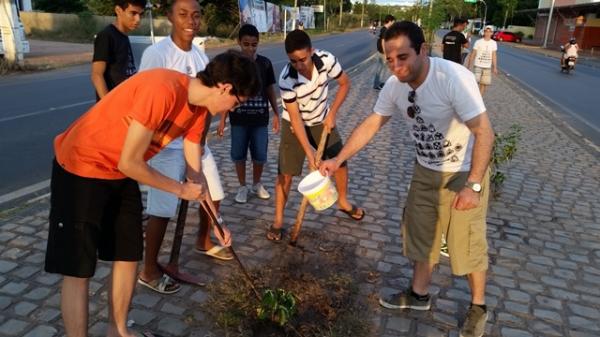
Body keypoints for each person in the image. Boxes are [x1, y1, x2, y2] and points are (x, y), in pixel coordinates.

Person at [44, 52, 259, 337]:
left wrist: (216, 221)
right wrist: (180, 189)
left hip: (119, 172)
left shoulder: (198, 111)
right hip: (82, 165)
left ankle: (117, 331)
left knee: (129, 253)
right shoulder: (163, 90)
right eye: (237, 103)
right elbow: (131, 162)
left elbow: (195, 176)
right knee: (79, 266)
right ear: (225, 88)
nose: (231, 110)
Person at [319, 21, 495, 337]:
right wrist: (337, 159)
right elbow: (373, 123)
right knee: (420, 235)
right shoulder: (394, 86)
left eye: (403, 57)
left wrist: (474, 185)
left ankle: (478, 307)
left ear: (422, 50)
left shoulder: (453, 79)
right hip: (426, 169)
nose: (396, 66)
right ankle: (418, 295)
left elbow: (484, 132)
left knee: (467, 243)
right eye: (390, 59)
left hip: (463, 173)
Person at [137, 0, 234, 296]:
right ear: (170, 17)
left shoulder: (201, 55)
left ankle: (203, 241)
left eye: (195, 15)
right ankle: (149, 270)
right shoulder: (157, 54)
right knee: (163, 208)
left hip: (194, 141)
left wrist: (201, 138)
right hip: (165, 144)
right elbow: (143, 99)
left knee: (213, 193)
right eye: (183, 14)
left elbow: (204, 103)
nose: (190, 20)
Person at [267, 30, 365, 241]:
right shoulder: (286, 79)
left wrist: (333, 114)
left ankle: (343, 202)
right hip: (294, 125)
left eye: (303, 59)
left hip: (322, 119)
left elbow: (345, 83)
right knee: (285, 173)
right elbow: (295, 119)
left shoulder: (327, 60)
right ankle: (278, 221)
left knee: (340, 160)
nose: (300, 65)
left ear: (311, 51)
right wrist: (310, 154)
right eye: (294, 61)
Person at [218, 24, 281, 203]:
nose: (250, 49)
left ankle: (256, 184)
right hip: (238, 120)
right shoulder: (232, 66)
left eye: (254, 45)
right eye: (246, 44)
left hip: (260, 119)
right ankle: (242, 187)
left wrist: (276, 114)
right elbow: (225, 93)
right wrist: (223, 119)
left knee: (260, 154)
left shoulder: (265, 63)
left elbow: (269, 90)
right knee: (239, 154)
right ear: (239, 42)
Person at [91, 0, 145, 101]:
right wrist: (107, 105)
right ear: (118, 10)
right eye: (133, 13)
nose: (138, 19)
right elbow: (97, 75)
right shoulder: (106, 36)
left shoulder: (124, 36)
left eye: (140, 14)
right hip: (112, 106)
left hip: (126, 103)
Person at [467, 25, 498, 95]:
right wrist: (469, 66)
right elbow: (473, 54)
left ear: (492, 33)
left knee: (484, 84)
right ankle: (473, 96)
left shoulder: (494, 43)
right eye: (486, 31)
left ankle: (479, 99)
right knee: (475, 83)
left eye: (490, 32)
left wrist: (495, 67)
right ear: (484, 32)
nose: (488, 33)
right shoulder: (478, 42)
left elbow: (494, 55)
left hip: (487, 67)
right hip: (478, 65)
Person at [374, 15, 395, 90]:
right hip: (382, 52)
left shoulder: (384, 29)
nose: (393, 23)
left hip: (381, 51)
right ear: (390, 21)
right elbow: (383, 42)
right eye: (393, 22)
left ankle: (378, 83)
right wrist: (385, 53)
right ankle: (376, 85)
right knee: (379, 68)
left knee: (380, 68)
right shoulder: (385, 30)